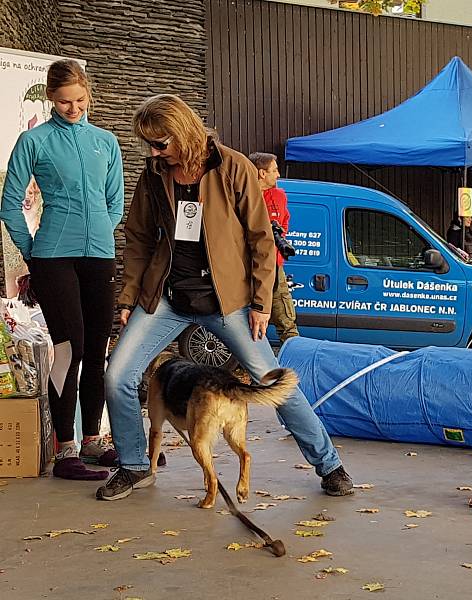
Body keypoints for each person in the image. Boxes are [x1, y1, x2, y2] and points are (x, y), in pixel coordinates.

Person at [96, 94, 353, 501]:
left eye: (160, 143)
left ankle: (330, 465)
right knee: (117, 375)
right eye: (149, 144)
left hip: (229, 299)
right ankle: (133, 465)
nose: (154, 151)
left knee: (272, 381)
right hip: (167, 295)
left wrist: (262, 303)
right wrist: (128, 298)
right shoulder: (154, 173)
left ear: (183, 133)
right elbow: (139, 239)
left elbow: (261, 239)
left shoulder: (233, 167)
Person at [0, 59, 123, 480]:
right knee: (69, 348)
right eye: (64, 101)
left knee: (97, 350)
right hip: (53, 255)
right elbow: (9, 202)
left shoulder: (105, 141)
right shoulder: (34, 141)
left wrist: (100, 233)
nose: (73, 108)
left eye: (80, 100)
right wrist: (33, 252)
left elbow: (115, 201)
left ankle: (93, 441)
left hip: (99, 255)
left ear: (89, 95)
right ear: (51, 98)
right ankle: (65, 446)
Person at [249, 152, 299, 345]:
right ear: (261, 173)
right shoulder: (243, 194)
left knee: (285, 318)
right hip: (247, 265)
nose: (278, 175)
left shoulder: (278, 196)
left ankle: (294, 360)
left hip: (274, 265)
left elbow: (284, 223)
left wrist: (276, 235)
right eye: (275, 170)